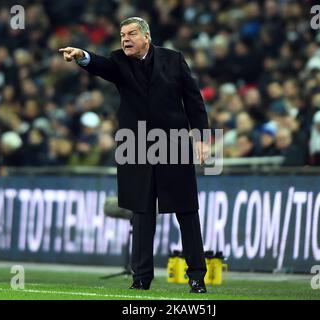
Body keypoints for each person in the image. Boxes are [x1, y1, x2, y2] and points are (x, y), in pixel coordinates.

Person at [59, 17, 210, 293]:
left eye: (131, 34)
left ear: (146, 37)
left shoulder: (173, 60)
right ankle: (141, 278)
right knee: (141, 213)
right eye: (121, 35)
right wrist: (82, 56)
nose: (125, 39)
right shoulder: (119, 62)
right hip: (136, 147)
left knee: (187, 211)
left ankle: (197, 277)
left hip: (173, 145)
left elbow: (194, 100)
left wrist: (201, 137)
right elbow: (100, 65)